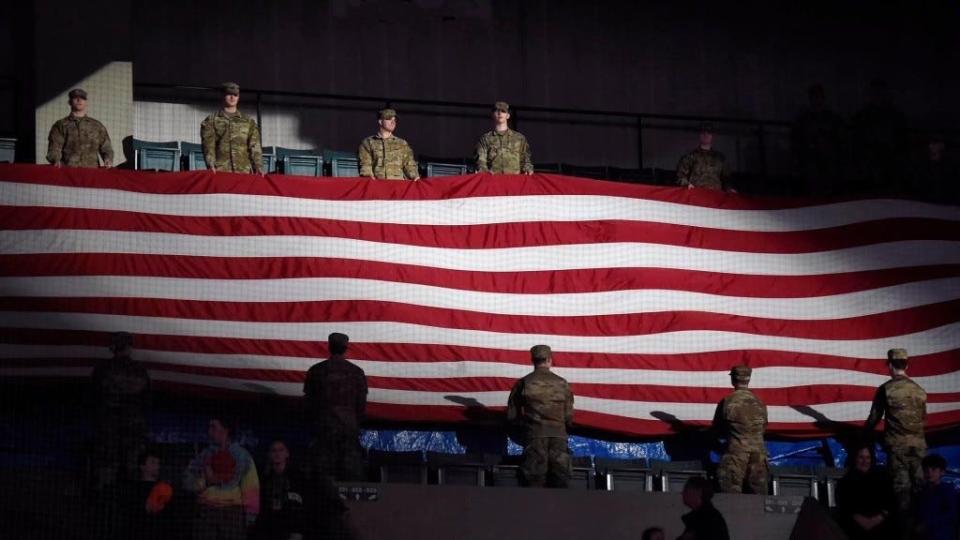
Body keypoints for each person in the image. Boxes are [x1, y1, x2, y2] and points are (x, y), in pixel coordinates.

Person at [864, 348, 927, 518]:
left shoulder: (886, 389)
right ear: (907, 365)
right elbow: (922, 419)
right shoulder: (919, 390)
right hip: (918, 448)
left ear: (890, 365)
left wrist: (863, 436)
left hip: (897, 449)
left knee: (902, 495)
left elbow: (874, 418)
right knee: (920, 490)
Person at [506, 344, 575, 488]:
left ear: (533, 361)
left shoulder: (524, 382)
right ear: (550, 360)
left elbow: (512, 415)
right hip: (558, 437)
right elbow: (569, 416)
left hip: (534, 436)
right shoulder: (562, 383)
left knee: (534, 481)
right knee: (560, 480)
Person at [303, 332, 368, 481]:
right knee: (350, 482)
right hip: (348, 434)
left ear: (329, 347)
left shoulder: (316, 371)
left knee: (322, 480)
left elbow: (308, 404)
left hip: (323, 432)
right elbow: (361, 406)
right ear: (346, 348)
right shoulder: (357, 372)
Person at [90, 331, 151, 489]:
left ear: (112, 348)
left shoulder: (101, 370)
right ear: (129, 348)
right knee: (132, 473)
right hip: (133, 431)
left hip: (107, 431)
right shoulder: (140, 370)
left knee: (106, 474)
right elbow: (147, 399)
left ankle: (105, 506)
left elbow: (93, 396)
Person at [183, 416, 260, 540]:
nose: (209, 432)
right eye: (209, 427)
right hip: (206, 513)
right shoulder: (203, 455)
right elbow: (187, 482)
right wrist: (205, 481)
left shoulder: (243, 456)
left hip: (232, 515)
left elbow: (251, 488)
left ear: (226, 429)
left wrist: (250, 517)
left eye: (213, 427)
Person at [712, 364, 768, 494]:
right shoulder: (759, 403)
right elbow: (764, 428)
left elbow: (716, 430)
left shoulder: (727, 402)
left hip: (735, 457)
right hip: (758, 458)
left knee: (731, 500)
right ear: (748, 380)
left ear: (733, 380)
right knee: (758, 501)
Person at [849, 79, 909, 195]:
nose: (878, 95)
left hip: (890, 166)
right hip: (869, 168)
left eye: (880, 92)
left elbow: (901, 143)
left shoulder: (896, 116)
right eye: (875, 92)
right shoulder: (861, 117)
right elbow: (856, 144)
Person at [791, 84, 845, 196]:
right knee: (814, 187)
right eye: (814, 97)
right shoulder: (804, 119)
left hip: (829, 159)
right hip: (811, 160)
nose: (817, 100)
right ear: (810, 99)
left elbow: (840, 138)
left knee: (830, 187)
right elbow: (797, 139)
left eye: (819, 97)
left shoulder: (832, 118)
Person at [201, 82, 264, 175]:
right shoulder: (211, 120)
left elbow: (254, 146)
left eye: (235, 95)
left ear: (238, 97)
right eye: (229, 94)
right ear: (222, 95)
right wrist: (211, 164)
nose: (232, 97)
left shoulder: (248, 121)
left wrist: (258, 166)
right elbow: (208, 146)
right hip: (221, 171)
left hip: (244, 171)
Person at [835, 444, 897, 540]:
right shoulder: (845, 482)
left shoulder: (882, 479)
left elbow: (891, 502)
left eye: (868, 458)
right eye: (861, 457)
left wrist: (877, 519)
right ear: (854, 458)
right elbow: (844, 506)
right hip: (854, 529)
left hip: (882, 529)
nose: (865, 461)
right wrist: (862, 521)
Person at [46, 88, 114, 168]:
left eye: (82, 98)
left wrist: (108, 159)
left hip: (92, 172)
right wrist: (56, 160)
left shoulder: (96, 125)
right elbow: (54, 147)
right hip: (69, 172)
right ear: (69, 102)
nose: (79, 100)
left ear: (86, 102)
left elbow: (106, 146)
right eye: (75, 97)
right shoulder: (61, 125)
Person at [254, 441, 306, 540]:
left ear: (287, 453)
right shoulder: (263, 478)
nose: (277, 454)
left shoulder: (297, 477)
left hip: (292, 526)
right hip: (269, 526)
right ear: (269, 454)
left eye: (281, 450)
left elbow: (302, 504)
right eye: (274, 450)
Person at [124, 449, 174, 540]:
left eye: (158, 463)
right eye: (152, 462)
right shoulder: (133, 489)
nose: (157, 466)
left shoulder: (165, 488)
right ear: (143, 467)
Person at [358, 108, 420, 180]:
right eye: (389, 119)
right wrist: (370, 180)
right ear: (380, 121)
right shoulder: (368, 142)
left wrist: (415, 176)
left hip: (398, 186)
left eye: (394, 120)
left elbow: (409, 164)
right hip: (378, 186)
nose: (393, 122)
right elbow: (366, 166)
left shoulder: (402, 144)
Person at [475, 101, 534, 174]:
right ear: (492, 115)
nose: (500, 113)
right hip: (493, 181)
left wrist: (527, 169)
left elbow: (526, 159)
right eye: (497, 111)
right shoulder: (485, 139)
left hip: (515, 181)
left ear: (508, 115)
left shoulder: (519, 138)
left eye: (503, 111)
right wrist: (483, 171)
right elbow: (481, 161)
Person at [913, 454, 958, 540]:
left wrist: (927, 524)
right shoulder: (922, 490)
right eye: (926, 470)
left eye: (933, 469)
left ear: (942, 472)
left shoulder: (947, 490)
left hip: (940, 535)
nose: (929, 473)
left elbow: (952, 514)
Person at [675, 122, 732, 191]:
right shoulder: (690, 157)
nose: (706, 134)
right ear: (699, 135)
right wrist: (686, 184)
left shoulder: (720, 158)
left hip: (715, 196)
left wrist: (729, 188)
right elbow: (680, 175)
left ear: (713, 135)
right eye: (703, 132)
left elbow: (727, 178)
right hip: (697, 194)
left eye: (709, 132)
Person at [677, 476, 730, 540]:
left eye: (686, 489)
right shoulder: (705, 516)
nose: (682, 493)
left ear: (698, 491)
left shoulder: (706, 519)